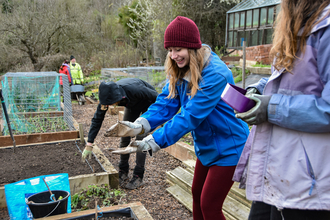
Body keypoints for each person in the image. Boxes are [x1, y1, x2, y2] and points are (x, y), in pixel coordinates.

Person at [108, 16, 249, 220]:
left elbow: (189, 116)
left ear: (191, 47)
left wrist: (153, 141)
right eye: (170, 50)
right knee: (197, 196)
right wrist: (139, 126)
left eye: (178, 49)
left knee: (209, 205)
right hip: (208, 145)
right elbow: (166, 101)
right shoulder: (182, 69)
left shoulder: (215, 74)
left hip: (229, 146)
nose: (173, 55)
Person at [234, 1, 330, 219]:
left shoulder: (325, 29)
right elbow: (285, 77)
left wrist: (271, 108)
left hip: (308, 180)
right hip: (278, 166)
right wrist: (257, 88)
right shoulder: (297, 24)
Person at [82, 78, 158, 189]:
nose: (107, 107)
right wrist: (89, 143)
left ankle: (138, 176)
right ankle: (123, 170)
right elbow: (97, 119)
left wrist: (158, 118)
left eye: (109, 104)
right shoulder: (107, 95)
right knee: (124, 134)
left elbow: (158, 97)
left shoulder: (134, 89)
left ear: (116, 98)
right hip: (133, 106)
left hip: (148, 104)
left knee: (141, 139)